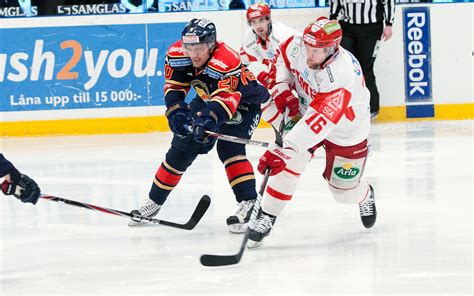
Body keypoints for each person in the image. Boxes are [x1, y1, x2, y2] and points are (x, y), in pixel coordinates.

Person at [129, 18, 270, 233]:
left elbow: (225, 99)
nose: (194, 53)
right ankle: (154, 202)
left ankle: (249, 202)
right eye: (190, 47)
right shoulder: (177, 54)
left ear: (211, 45)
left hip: (243, 101)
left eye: (200, 47)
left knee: (229, 149)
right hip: (207, 98)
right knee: (182, 147)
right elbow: (175, 88)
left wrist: (208, 120)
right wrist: (176, 113)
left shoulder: (226, 59)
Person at [248, 17, 376, 247]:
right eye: (307, 47)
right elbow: (283, 60)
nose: (308, 56)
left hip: (346, 130)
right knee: (288, 165)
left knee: (342, 193)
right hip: (308, 113)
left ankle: (365, 194)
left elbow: (320, 122)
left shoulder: (342, 75)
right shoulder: (298, 45)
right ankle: (267, 215)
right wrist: (282, 87)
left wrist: (283, 148)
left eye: (315, 51)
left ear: (332, 49)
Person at [329, 0, 395, 119]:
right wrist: (333, 17)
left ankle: (372, 108)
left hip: (371, 27)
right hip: (347, 27)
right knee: (346, 67)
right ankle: (346, 107)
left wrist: (389, 24)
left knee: (365, 68)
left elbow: (389, 2)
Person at [240, 2, 298, 91]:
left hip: (299, 65)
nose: (258, 26)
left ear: (269, 19)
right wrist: (262, 74)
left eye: (261, 20)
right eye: (253, 22)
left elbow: (291, 66)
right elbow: (246, 64)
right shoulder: (248, 38)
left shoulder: (283, 36)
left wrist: (279, 84)